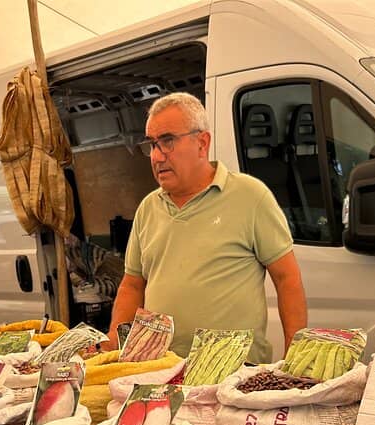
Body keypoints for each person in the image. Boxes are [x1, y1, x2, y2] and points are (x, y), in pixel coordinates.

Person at [108, 92, 307, 363]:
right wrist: (112, 347)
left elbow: (287, 279)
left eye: (167, 141)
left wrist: (295, 359)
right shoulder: (147, 208)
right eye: (151, 144)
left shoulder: (250, 196)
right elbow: (132, 286)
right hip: (161, 369)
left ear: (202, 143)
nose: (156, 156)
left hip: (234, 371)